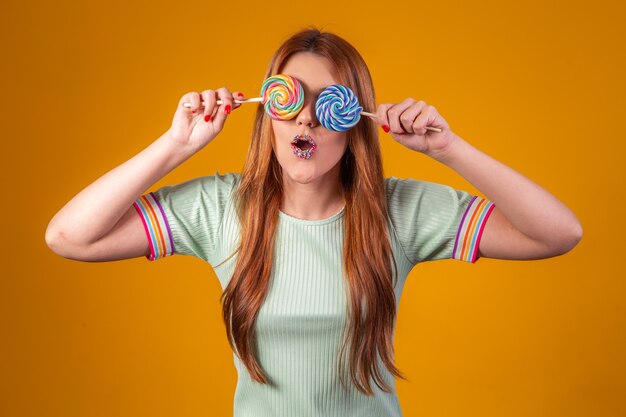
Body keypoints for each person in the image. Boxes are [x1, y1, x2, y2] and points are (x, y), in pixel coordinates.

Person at [45, 27, 582, 417]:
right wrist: (175, 145)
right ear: (268, 111)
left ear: (354, 124)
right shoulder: (220, 208)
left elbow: (559, 233)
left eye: (328, 105)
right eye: (291, 99)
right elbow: (69, 236)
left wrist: (449, 149)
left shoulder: (397, 211)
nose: (305, 117)